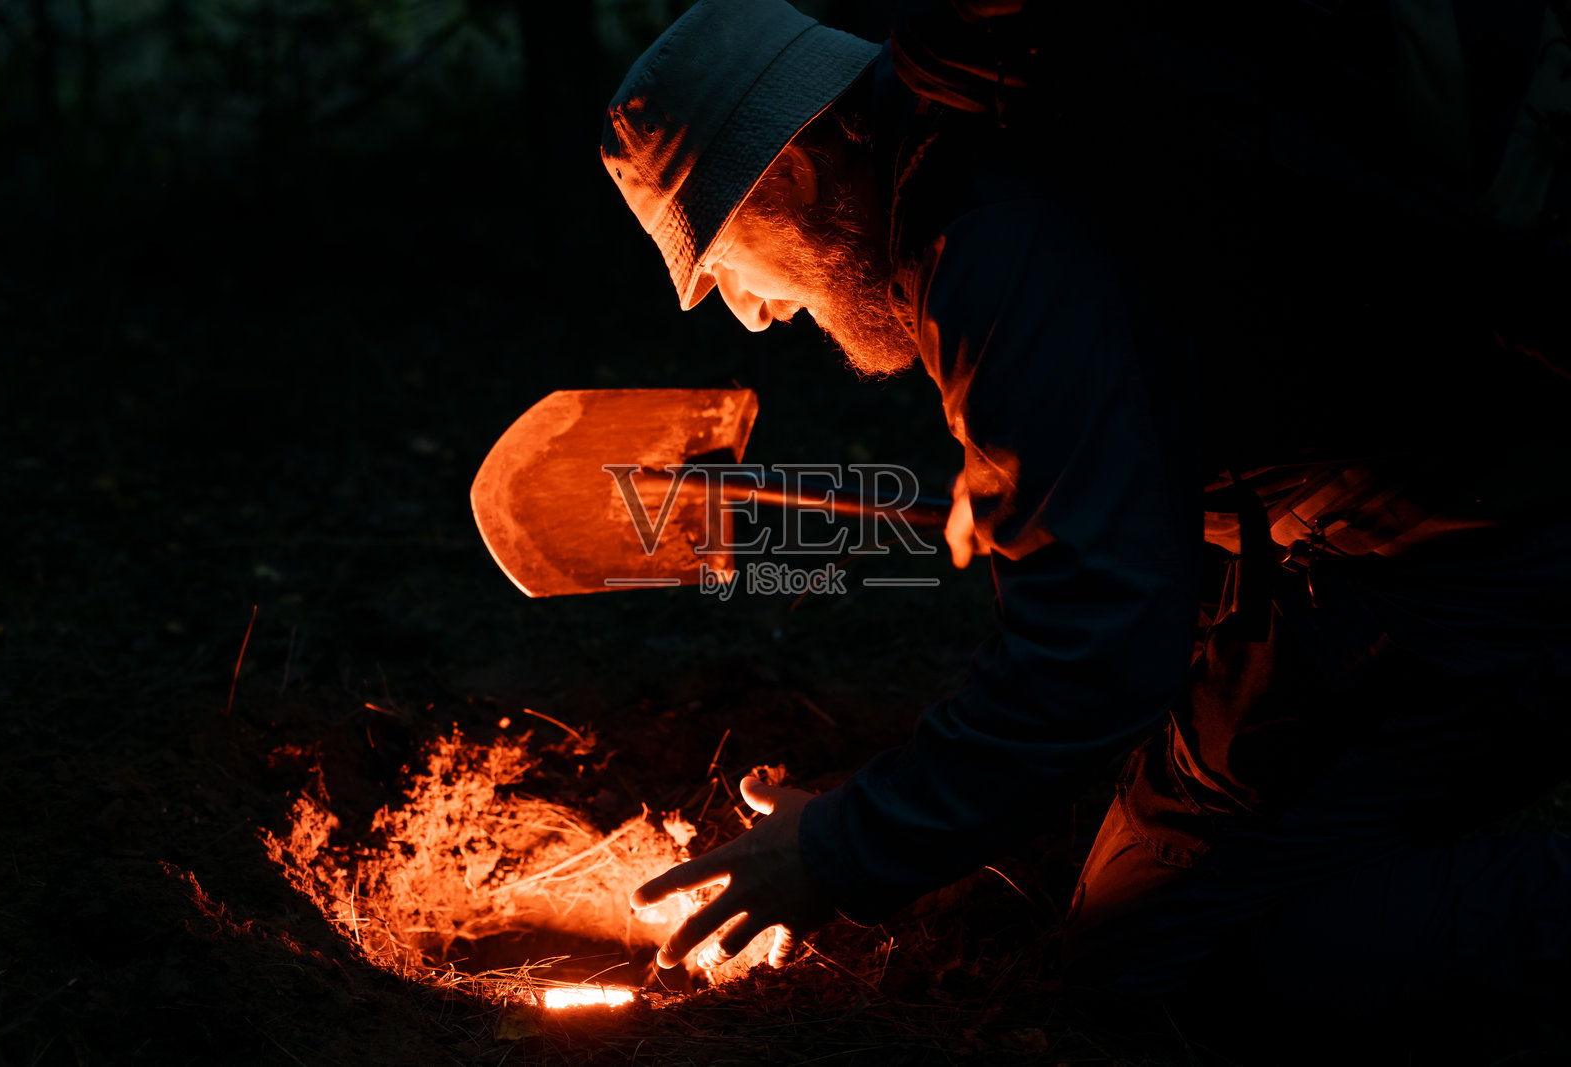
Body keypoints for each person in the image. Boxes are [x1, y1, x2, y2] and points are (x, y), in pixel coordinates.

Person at [600, 0, 1571, 1009]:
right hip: (1439, 521)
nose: (752, 313)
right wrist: (1051, 479)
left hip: (1480, 567)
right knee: (1145, 871)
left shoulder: (982, 233)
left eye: (725, 262)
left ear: (796, 172)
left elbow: (1096, 648)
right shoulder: (1005, 136)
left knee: (1165, 954)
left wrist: (839, 847)